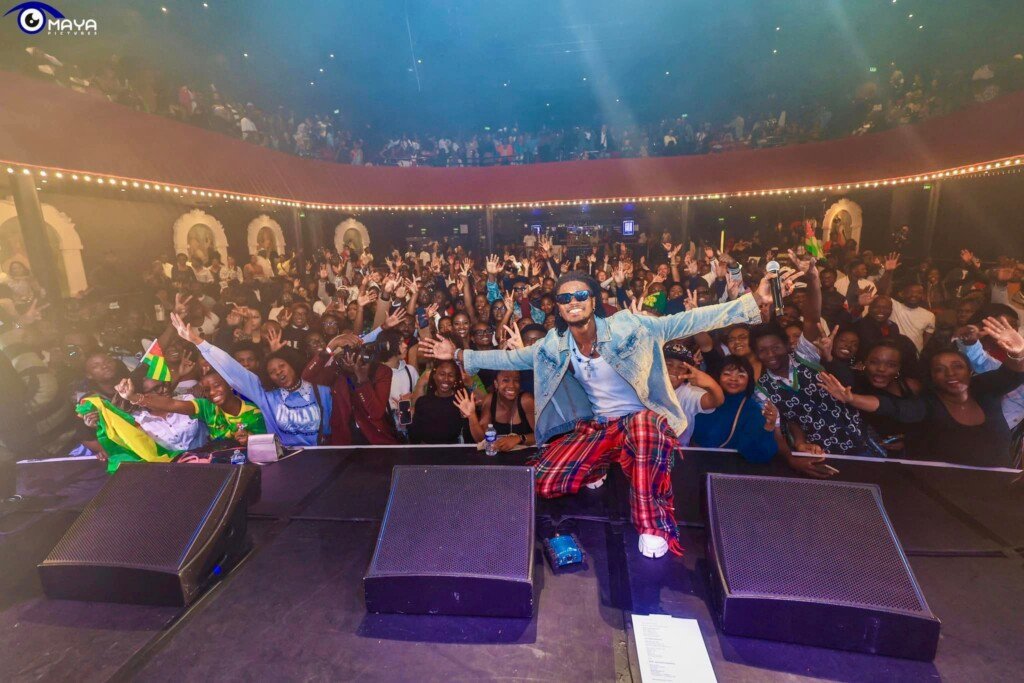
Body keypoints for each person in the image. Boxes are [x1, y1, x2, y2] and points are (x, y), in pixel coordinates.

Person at [420, 267, 784, 559]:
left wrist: (750, 303)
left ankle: (652, 525)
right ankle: (598, 463)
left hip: (642, 420)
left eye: (580, 295)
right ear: (560, 308)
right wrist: (456, 355)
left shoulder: (631, 325)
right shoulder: (555, 343)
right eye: (565, 298)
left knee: (644, 431)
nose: (572, 302)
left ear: (593, 300)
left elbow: (689, 321)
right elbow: (511, 358)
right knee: (545, 481)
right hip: (599, 426)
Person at [171, 313, 331, 447]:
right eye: (272, 372)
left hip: (321, 459)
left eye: (282, 366)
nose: (279, 372)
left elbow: (336, 429)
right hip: (285, 460)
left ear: (293, 366)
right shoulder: (267, 397)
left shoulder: (321, 391)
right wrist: (197, 341)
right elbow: (231, 368)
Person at [907, 317, 1024, 467]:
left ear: (969, 372)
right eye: (940, 370)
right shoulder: (928, 405)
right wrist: (1018, 354)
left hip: (1003, 468)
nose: (950, 373)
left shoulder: (985, 392)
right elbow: (1006, 373)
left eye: (957, 367)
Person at [114, 372, 267, 446]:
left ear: (229, 384)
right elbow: (172, 404)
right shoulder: (205, 406)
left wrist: (251, 441)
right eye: (206, 390)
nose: (212, 392)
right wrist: (133, 397)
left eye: (217, 385)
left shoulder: (254, 413)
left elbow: (269, 447)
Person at [691, 355, 780, 464]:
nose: (733, 379)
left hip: (725, 468)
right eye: (727, 374)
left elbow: (758, 455)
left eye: (741, 375)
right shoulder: (701, 398)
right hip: (690, 461)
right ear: (717, 376)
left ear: (749, 380)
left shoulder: (752, 409)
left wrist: (768, 427)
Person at [453, 370, 536, 450]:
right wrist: (472, 416)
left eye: (516, 380)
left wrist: (519, 438)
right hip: (498, 458)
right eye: (505, 380)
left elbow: (542, 436)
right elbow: (481, 439)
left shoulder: (527, 401)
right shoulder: (490, 400)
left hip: (527, 458)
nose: (512, 385)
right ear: (496, 384)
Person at [662, 341, 723, 446]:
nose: (674, 370)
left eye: (681, 367)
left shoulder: (689, 392)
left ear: (687, 373)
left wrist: (711, 384)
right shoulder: (642, 385)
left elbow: (716, 401)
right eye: (668, 364)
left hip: (676, 455)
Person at [408, 360, 472, 444]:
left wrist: (468, 418)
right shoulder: (422, 402)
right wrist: (408, 422)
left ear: (456, 378)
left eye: (451, 375)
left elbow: (470, 439)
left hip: (454, 453)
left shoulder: (462, 403)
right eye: (442, 374)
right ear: (434, 376)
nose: (446, 379)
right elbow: (414, 438)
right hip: (426, 453)